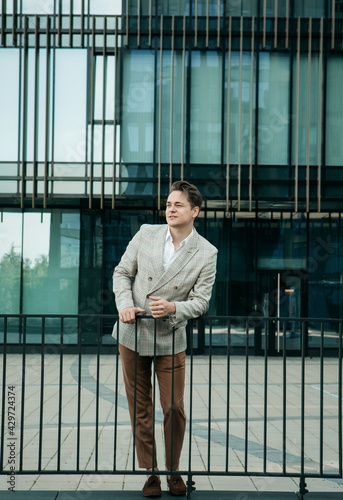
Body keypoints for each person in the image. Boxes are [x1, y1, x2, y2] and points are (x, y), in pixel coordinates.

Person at [112, 180, 218, 497]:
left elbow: (201, 302)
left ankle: (173, 470)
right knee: (139, 408)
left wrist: (174, 307)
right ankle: (152, 473)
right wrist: (125, 305)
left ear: (195, 211)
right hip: (132, 332)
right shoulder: (146, 233)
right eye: (169, 204)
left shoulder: (207, 252)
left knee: (173, 407)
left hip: (171, 336)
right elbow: (121, 272)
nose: (170, 209)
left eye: (178, 205)